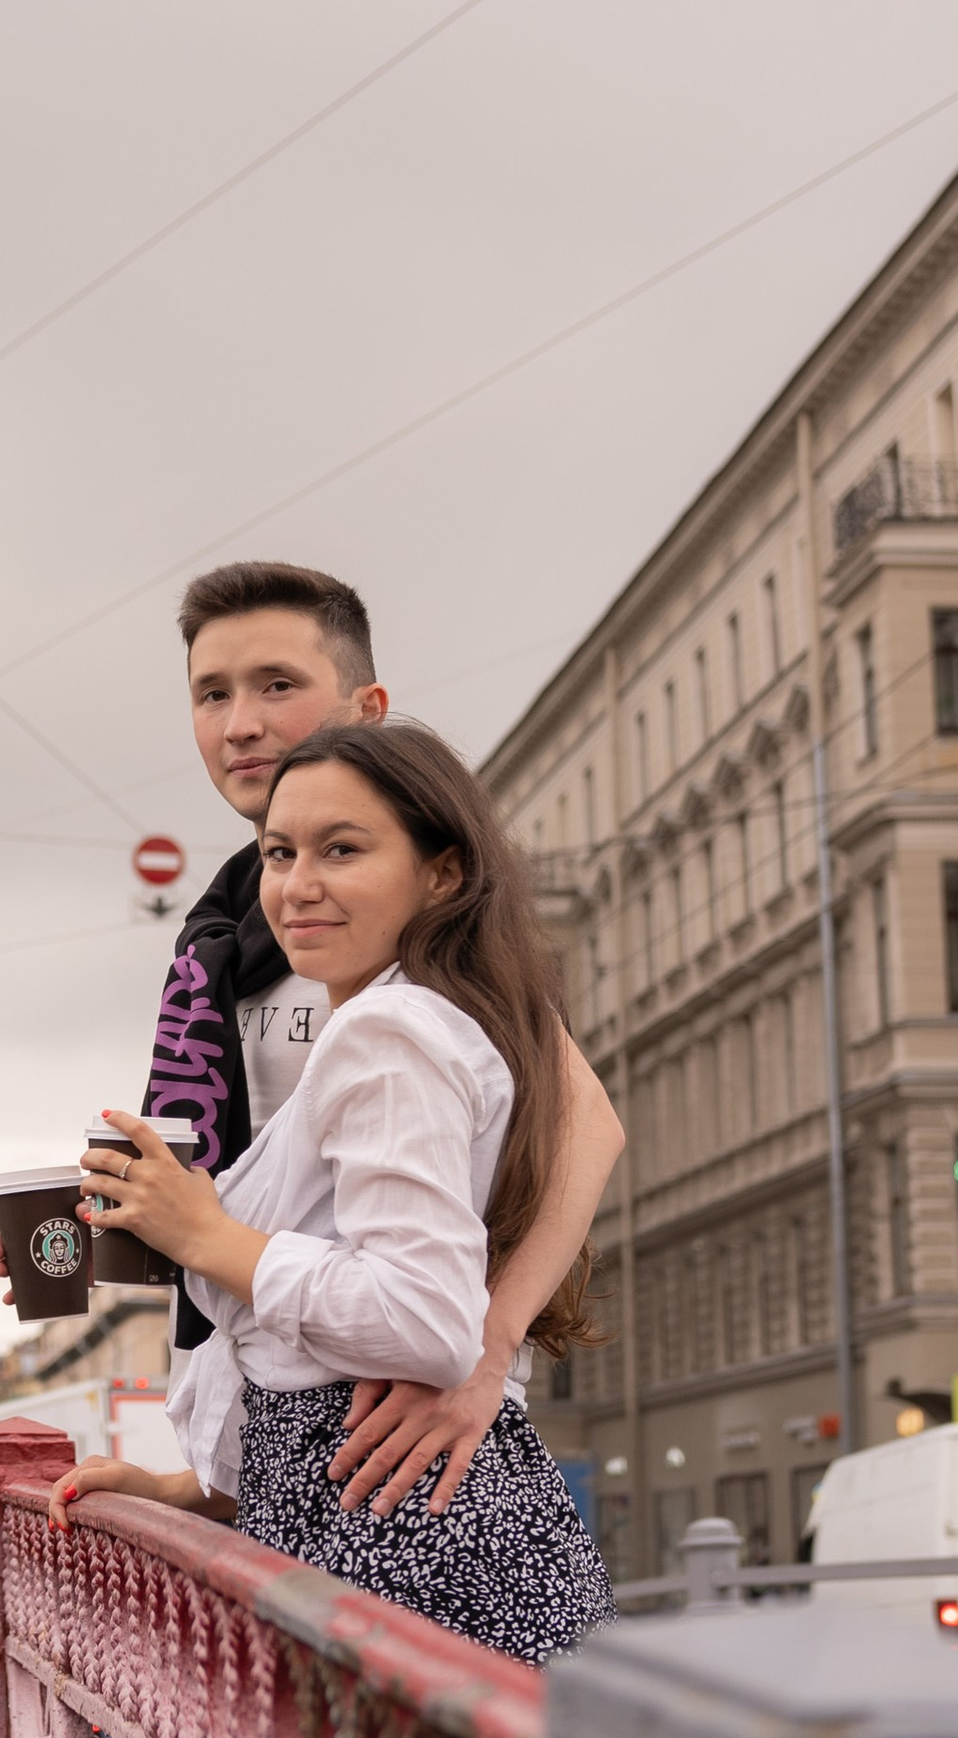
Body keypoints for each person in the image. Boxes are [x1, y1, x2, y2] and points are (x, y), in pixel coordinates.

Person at [55, 717, 612, 1738]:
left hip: (408, 1541)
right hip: (398, 1523)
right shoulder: (406, 1026)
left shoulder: (391, 1039)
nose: (297, 881)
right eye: (283, 851)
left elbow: (424, 1319)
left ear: (442, 871)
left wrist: (208, 1230)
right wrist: (212, 1489)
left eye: (343, 849)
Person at [144, 563, 619, 1522]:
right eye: (212, 693)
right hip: (294, 1444)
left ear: (367, 707)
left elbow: (588, 1127)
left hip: (405, 1432)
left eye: (278, 684)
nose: (240, 723)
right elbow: (274, 1194)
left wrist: (484, 1352)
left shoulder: (400, 934)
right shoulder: (234, 935)